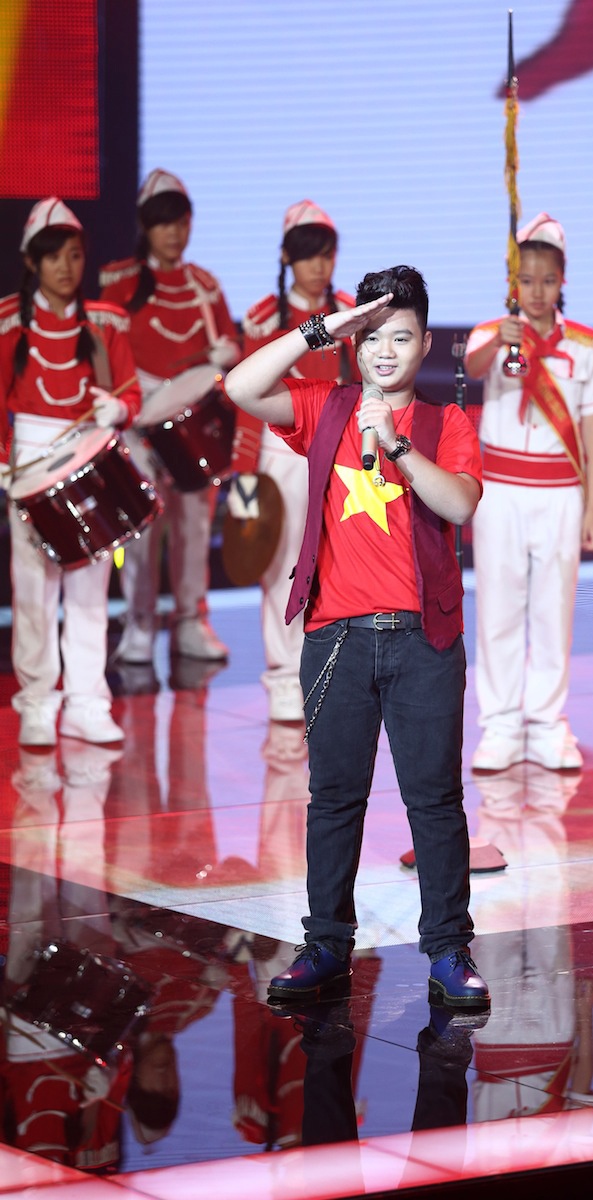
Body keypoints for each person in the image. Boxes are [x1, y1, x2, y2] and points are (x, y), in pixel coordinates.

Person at [225, 265, 490, 1009]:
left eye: (400, 337)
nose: (384, 352)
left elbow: (460, 504)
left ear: (425, 344)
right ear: (353, 342)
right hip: (336, 639)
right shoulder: (325, 406)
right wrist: (317, 331)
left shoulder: (445, 423)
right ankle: (325, 945)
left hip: (422, 640)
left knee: (434, 801)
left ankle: (449, 949)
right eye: (371, 337)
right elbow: (241, 387)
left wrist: (396, 446)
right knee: (334, 799)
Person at [465, 213, 593, 772]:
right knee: (499, 609)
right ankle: (501, 726)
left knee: (553, 611)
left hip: (560, 495)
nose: (536, 292)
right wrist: (498, 343)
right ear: (513, 282)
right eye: (526, 280)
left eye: (547, 281)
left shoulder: (585, 347)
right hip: (500, 492)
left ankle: (548, 725)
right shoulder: (492, 334)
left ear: (562, 281)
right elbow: (472, 367)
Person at [0, 198, 141, 746]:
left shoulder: (105, 322)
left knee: (89, 588)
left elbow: (130, 392)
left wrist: (118, 409)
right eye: (54, 256)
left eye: (75, 255)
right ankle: (38, 703)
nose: (66, 267)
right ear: (31, 261)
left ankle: (87, 703)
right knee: (34, 589)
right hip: (30, 458)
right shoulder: (8, 321)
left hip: (90, 455)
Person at [99, 168, 240, 664]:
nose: (174, 233)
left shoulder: (204, 286)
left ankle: (190, 622)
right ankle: (138, 624)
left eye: (181, 222)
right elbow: (102, 351)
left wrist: (227, 353)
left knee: (194, 528)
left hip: (190, 429)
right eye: (163, 223)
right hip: (136, 423)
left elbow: (228, 345)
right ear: (145, 225)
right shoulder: (117, 281)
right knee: (140, 530)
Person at [231, 199, 358, 721]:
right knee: (282, 562)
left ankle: (329, 666)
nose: (318, 265)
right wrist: (243, 488)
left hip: (340, 452)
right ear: (287, 257)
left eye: (326, 254)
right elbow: (246, 404)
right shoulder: (264, 317)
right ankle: (284, 676)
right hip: (279, 454)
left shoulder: (351, 309)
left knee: (339, 561)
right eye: (307, 254)